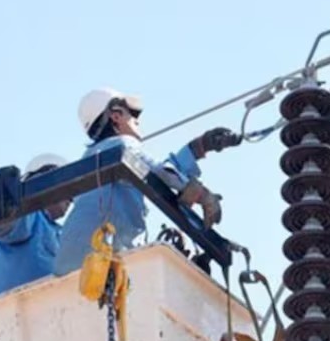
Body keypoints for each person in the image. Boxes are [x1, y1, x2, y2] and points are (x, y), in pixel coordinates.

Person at [53, 87, 242, 275]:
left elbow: (154, 173)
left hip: (69, 268)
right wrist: (201, 194)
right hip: (104, 261)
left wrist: (199, 147)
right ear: (116, 116)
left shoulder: (92, 157)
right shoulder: (122, 145)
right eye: (132, 113)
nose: (137, 119)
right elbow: (160, 172)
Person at [0, 153, 72, 296]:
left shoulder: (59, 232)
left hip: (58, 302)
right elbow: (5, 225)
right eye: (68, 187)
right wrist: (2, 199)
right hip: (23, 304)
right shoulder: (29, 215)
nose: (71, 197)